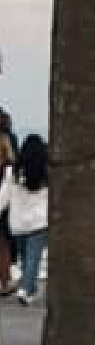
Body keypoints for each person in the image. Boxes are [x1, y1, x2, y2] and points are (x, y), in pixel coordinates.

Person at [0, 134, 48, 305]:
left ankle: (30, 289)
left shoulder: (12, 172)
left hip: (18, 222)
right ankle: (26, 289)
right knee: (33, 258)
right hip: (39, 221)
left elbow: (4, 196)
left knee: (25, 257)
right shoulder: (47, 172)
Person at [0, 110, 16, 296]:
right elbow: (12, 162)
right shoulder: (7, 141)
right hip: (3, 198)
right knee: (3, 241)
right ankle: (5, 280)